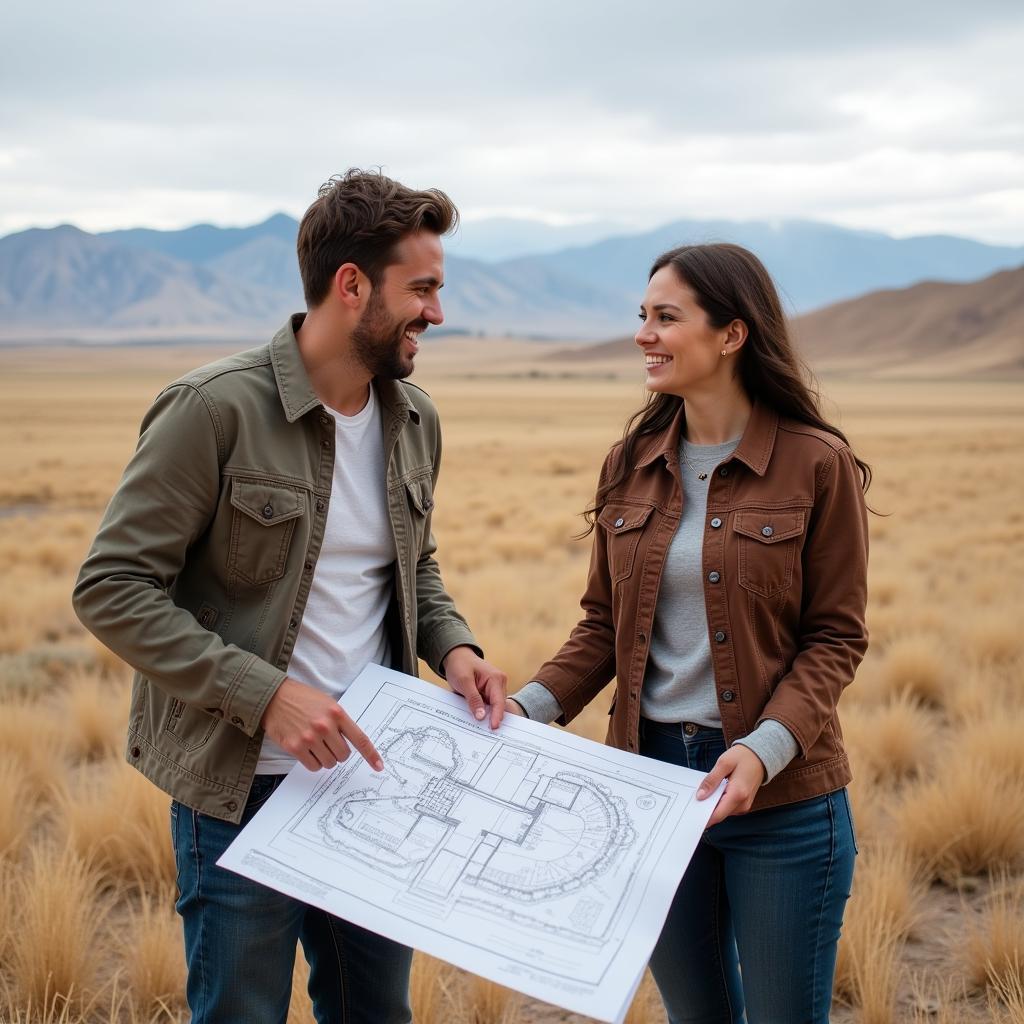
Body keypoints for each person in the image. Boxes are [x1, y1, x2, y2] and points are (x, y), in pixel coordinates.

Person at [73, 169, 507, 1024]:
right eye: (422, 289)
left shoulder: (416, 419)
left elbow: (413, 568)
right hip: (239, 792)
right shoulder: (214, 410)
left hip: (372, 787)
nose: (439, 314)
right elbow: (112, 588)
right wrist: (264, 695)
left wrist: (456, 649)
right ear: (352, 287)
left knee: (375, 1013)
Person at [507, 243, 869, 1024]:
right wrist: (525, 711)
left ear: (732, 334)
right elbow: (603, 624)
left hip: (780, 797)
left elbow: (836, 638)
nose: (644, 334)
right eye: (642, 316)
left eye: (666, 317)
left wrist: (761, 750)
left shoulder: (816, 463)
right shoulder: (630, 463)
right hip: (648, 788)